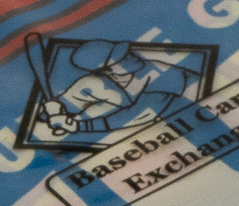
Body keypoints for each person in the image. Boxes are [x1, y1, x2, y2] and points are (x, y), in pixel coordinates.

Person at [38, 40, 198, 142]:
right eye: (122, 58)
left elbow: (136, 115)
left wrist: (79, 127)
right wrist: (54, 111)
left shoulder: (159, 71)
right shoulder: (97, 83)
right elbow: (50, 112)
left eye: (127, 52)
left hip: (196, 126)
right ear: (106, 70)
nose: (132, 55)